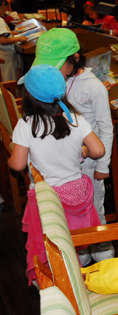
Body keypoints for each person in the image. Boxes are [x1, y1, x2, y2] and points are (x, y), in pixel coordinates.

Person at [8, 64, 105, 284]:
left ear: (29, 97)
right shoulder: (75, 118)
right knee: (69, 240)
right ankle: (72, 277)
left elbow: (17, 165)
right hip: (76, 193)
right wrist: (84, 150)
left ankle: (52, 281)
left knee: (48, 244)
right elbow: (98, 150)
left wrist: (9, 157)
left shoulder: (26, 125)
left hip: (47, 198)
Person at [33, 28, 118, 265]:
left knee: (94, 210)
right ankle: (78, 259)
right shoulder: (54, 83)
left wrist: (103, 165)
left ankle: (104, 259)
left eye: (56, 65)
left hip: (90, 164)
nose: (52, 71)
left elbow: (106, 128)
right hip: (65, 165)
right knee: (69, 215)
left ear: (75, 58)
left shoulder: (94, 87)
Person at [0, 0, 26, 81]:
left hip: (3, 56)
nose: (6, 12)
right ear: (3, 4)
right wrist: (19, 38)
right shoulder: (0, 20)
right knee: (9, 80)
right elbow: (2, 41)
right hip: (6, 58)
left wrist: (9, 33)